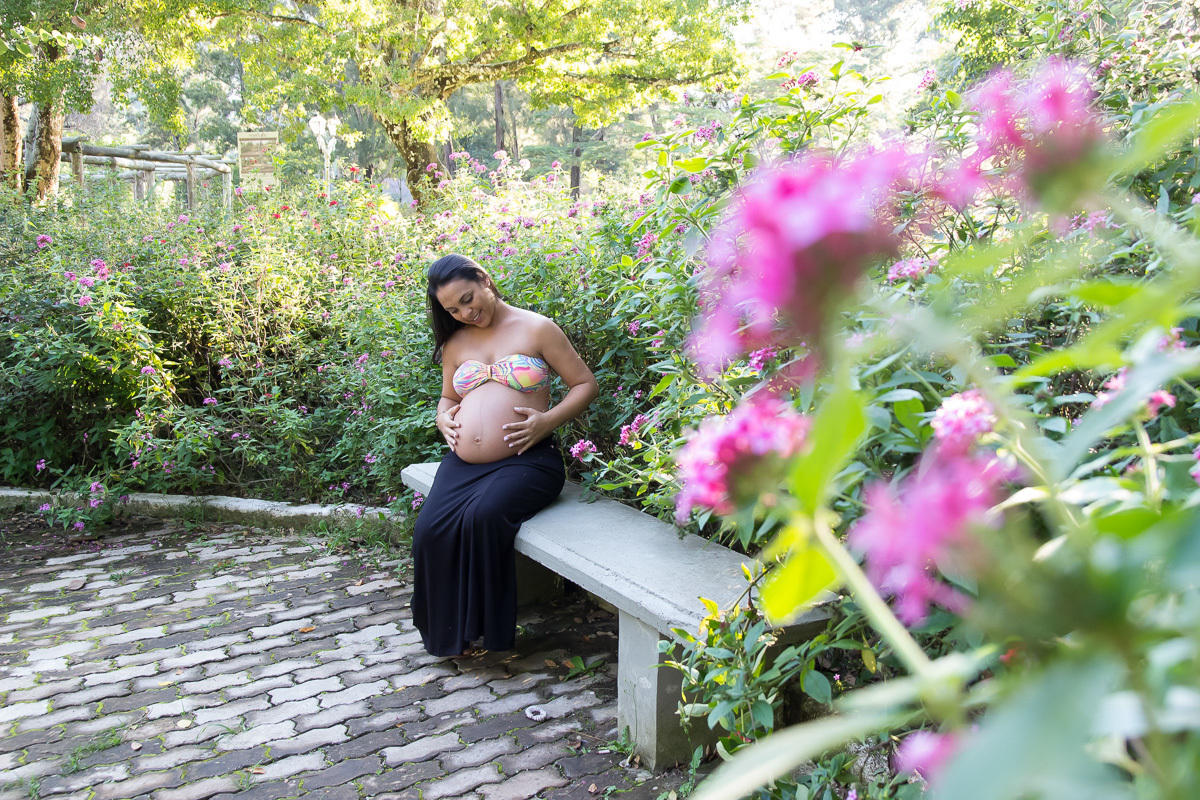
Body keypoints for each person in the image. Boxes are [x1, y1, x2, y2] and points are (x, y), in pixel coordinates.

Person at [412, 254, 599, 657]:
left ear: (484, 280)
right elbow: (448, 397)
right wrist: (443, 418)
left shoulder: (537, 328)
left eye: (467, 299)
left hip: (527, 459)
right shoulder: (456, 342)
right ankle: (448, 636)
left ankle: (481, 631)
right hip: (463, 466)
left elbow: (585, 384)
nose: (465, 313)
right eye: (453, 309)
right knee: (429, 530)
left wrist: (547, 421)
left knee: (483, 517)